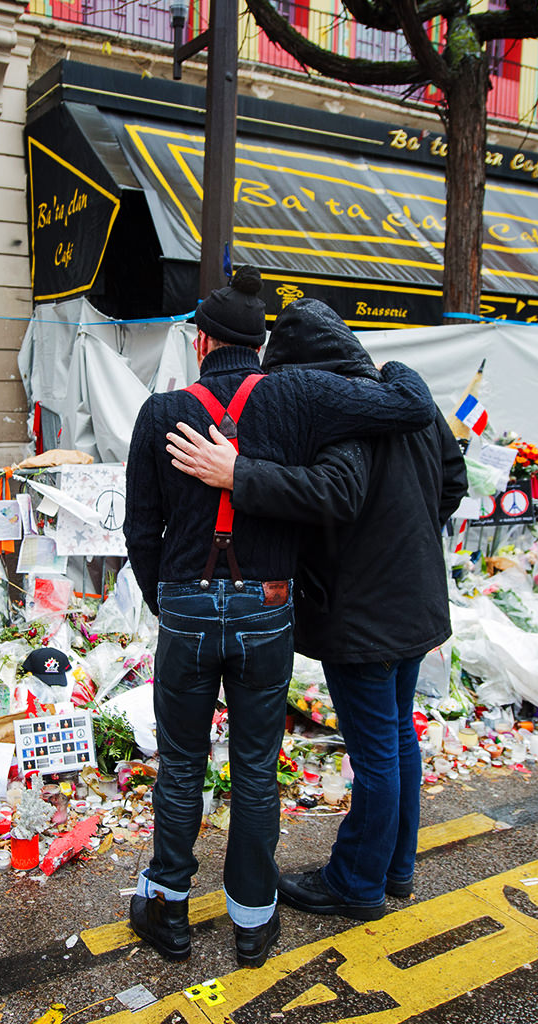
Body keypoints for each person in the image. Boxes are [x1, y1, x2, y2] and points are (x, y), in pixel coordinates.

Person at [123, 277, 439, 968]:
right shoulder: (298, 396)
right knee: (256, 767)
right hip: (268, 607)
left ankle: (169, 907)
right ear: (260, 344)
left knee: (181, 765)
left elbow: (141, 530)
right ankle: (253, 920)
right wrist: (393, 366)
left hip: (186, 604)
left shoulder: (159, 411)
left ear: (200, 340)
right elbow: (408, 407)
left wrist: (166, 601)